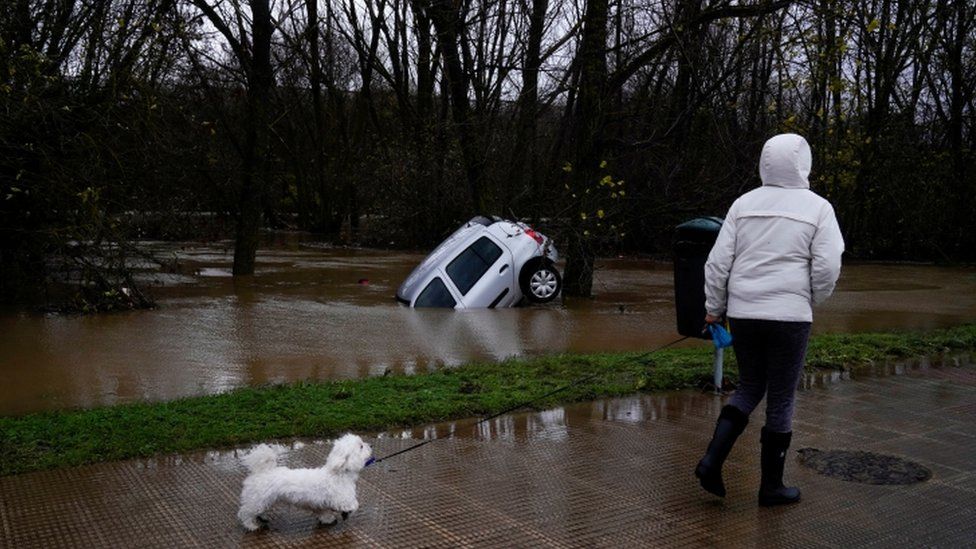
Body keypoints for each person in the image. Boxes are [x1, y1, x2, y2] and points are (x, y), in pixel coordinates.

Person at [694, 133, 844, 506]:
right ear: (803, 164)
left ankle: (711, 460)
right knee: (780, 397)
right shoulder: (819, 208)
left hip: (744, 313)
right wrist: (811, 299)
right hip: (790, 317)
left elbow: (718, 262)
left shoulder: (744, 204)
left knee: (749, 386)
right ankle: (771, 487)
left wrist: (715, 306)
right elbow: (828, 265)